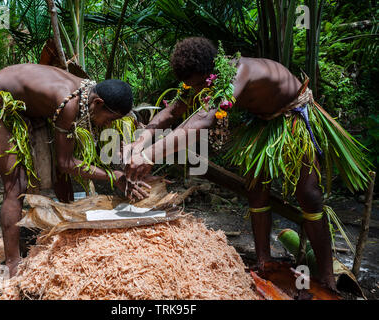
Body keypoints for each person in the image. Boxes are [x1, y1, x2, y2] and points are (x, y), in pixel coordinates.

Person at [124, 37, 372, 292]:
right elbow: (173, 111)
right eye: (191, 86)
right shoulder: (202, 80)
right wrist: (142, 138)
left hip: (293, 117)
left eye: (198, 85)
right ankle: (264, 260)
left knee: (309, 195)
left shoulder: (238, 73)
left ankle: (328, 279)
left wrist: (149, 155)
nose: (195, 91)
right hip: (263, 122)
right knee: (256, 190)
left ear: (211, 73)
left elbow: (202, 120)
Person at [0, 63, 149, 277]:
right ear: (98, 103)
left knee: (60, 173)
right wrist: (113, 177)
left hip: (30, 107)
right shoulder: (70, 105)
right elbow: (66, 162)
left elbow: (63, 166)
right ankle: (13, 262)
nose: (108, 125)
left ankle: (69, 225)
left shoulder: (88, 95)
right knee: (16, 186)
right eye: (109, 119)